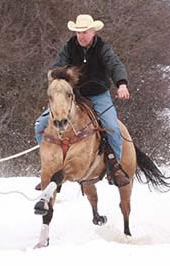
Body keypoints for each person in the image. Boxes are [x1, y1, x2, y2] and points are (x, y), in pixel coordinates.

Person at [34, 14, 130, 187]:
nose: (81, 36)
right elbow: (59, 64)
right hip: (73, 96)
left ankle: (114, 167)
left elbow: (115, 65)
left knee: (113, 128)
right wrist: (58, 76)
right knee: (40, 125)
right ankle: (49, 165)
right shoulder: (70, 47)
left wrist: (121, 84)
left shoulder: (102, 48)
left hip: (98, 95)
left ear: (93, 32)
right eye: (78, 32)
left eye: (85, 32)